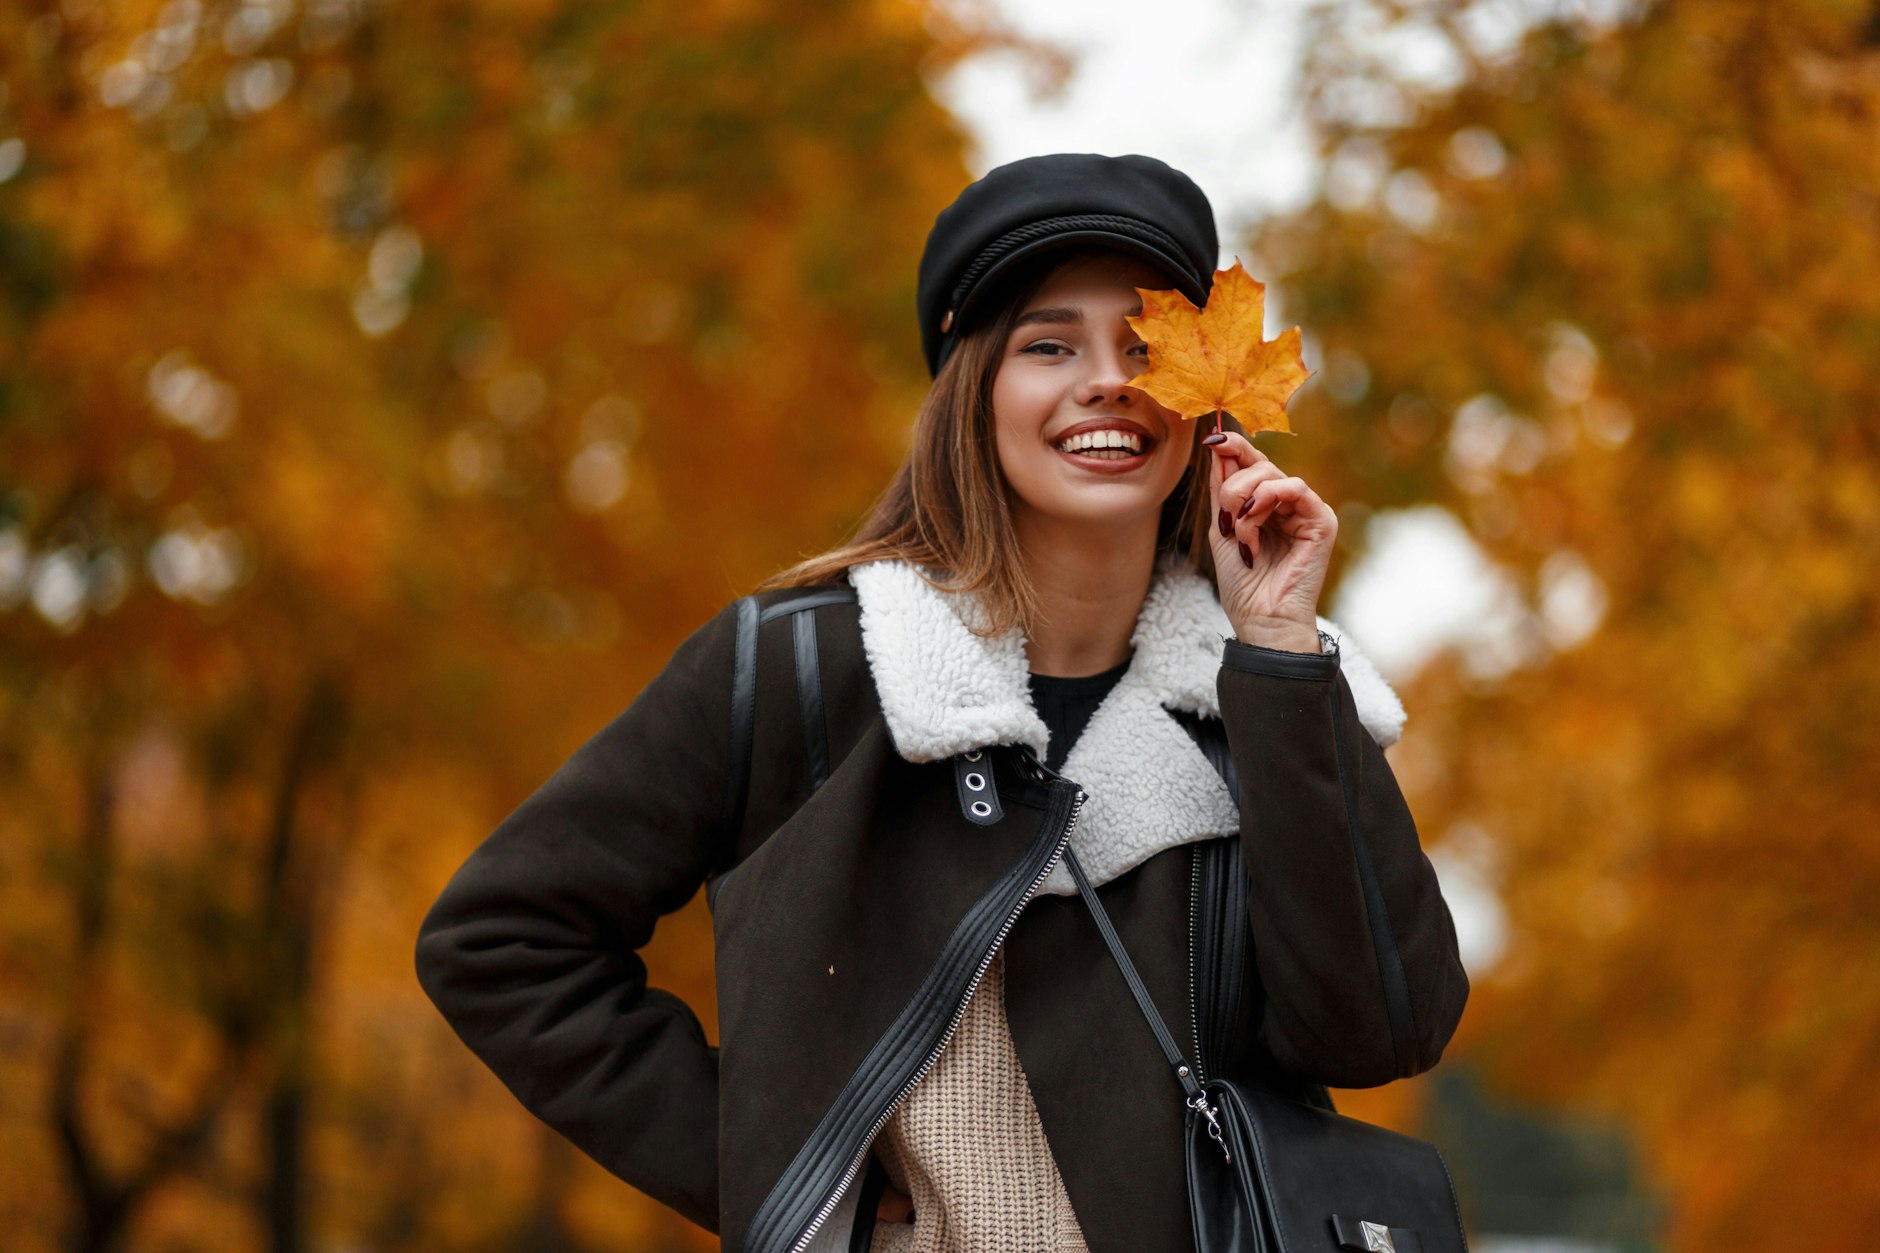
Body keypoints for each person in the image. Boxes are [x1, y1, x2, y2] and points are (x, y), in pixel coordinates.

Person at [414, 152, 1470, 1253]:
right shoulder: (804, 667)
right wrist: (783, 1172)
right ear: (974, 392)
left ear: (1205, 409)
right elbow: (500, 940)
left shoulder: (1266, 692)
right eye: (1048, 345)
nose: (1106, 380)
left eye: (1145, 347)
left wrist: (1281, 656)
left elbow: (1378, 1033)